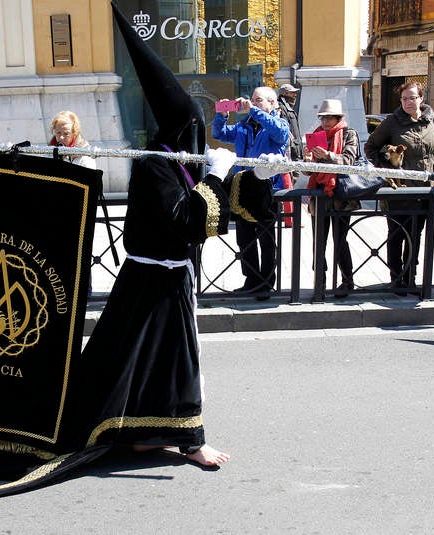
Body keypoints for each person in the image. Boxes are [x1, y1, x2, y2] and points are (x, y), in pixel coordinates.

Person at [75, 4, 275, 467]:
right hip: (154, 281)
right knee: (176, 363)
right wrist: (219, 178)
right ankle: (191, 440)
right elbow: (191, 219)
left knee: (151, 365)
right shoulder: (155, 166)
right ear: (183, 129)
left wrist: (255, 178)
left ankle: (147, 435)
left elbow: (233, 206)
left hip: (166, 279)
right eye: (196, 129)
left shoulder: (178, 163)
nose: (202, 138)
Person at [364, 81, 434, 295]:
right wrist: (387, 170)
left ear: (421, 98)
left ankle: (411, 277)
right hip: (399, 191)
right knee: (396, 234)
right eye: (404, 99)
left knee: (416, 235)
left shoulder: (433, 120)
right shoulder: (392, 122)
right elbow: (370, 147)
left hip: (425, 191)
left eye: (412, 98)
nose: (408, 102)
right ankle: (396, 278)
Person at [212, 86, 289, 298]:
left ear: (272, 104)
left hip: (267, 188)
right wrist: (223, 115)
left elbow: (281, 135)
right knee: (244, 238)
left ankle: (266, 283)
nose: (253, 103)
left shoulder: (279, 123)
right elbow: (219, 133)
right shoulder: (244, 126)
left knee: (266, 239)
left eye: (259, 100)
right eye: (253, 100)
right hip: (243, 188)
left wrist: (254, 111)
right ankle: (251, 280)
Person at [304, 99, 359, 298]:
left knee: (340, 241)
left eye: (330, 118)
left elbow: (349, 160)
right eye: (323, 117)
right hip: (319, 196)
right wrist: (308, 161)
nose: (326, 121)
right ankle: (320, 284)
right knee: (318, 242)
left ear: (338, 118)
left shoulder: (348, 134)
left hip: (340, 195)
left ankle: (347, 281)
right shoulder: (316, 135)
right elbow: (309, 172)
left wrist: (327, 155)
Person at [277, 83, 302, 226]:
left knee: (292, 180)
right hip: (289, 151)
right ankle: (285, 215)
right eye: (292, 93)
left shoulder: (289, 108)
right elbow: (286, 131)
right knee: (288, 182)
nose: (295, 95)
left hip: (294, 149)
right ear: (284, 94)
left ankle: (287, 215)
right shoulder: (282, 108)